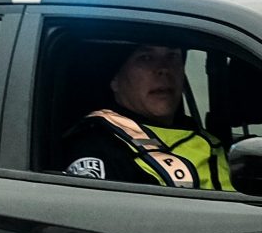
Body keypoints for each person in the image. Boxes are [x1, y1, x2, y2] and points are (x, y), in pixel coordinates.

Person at [54, 41, 235, 190]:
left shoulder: (203, 136)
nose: (164, 69)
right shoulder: (100, 147)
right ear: (115, 80)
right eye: (146, 58)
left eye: (172, 56)